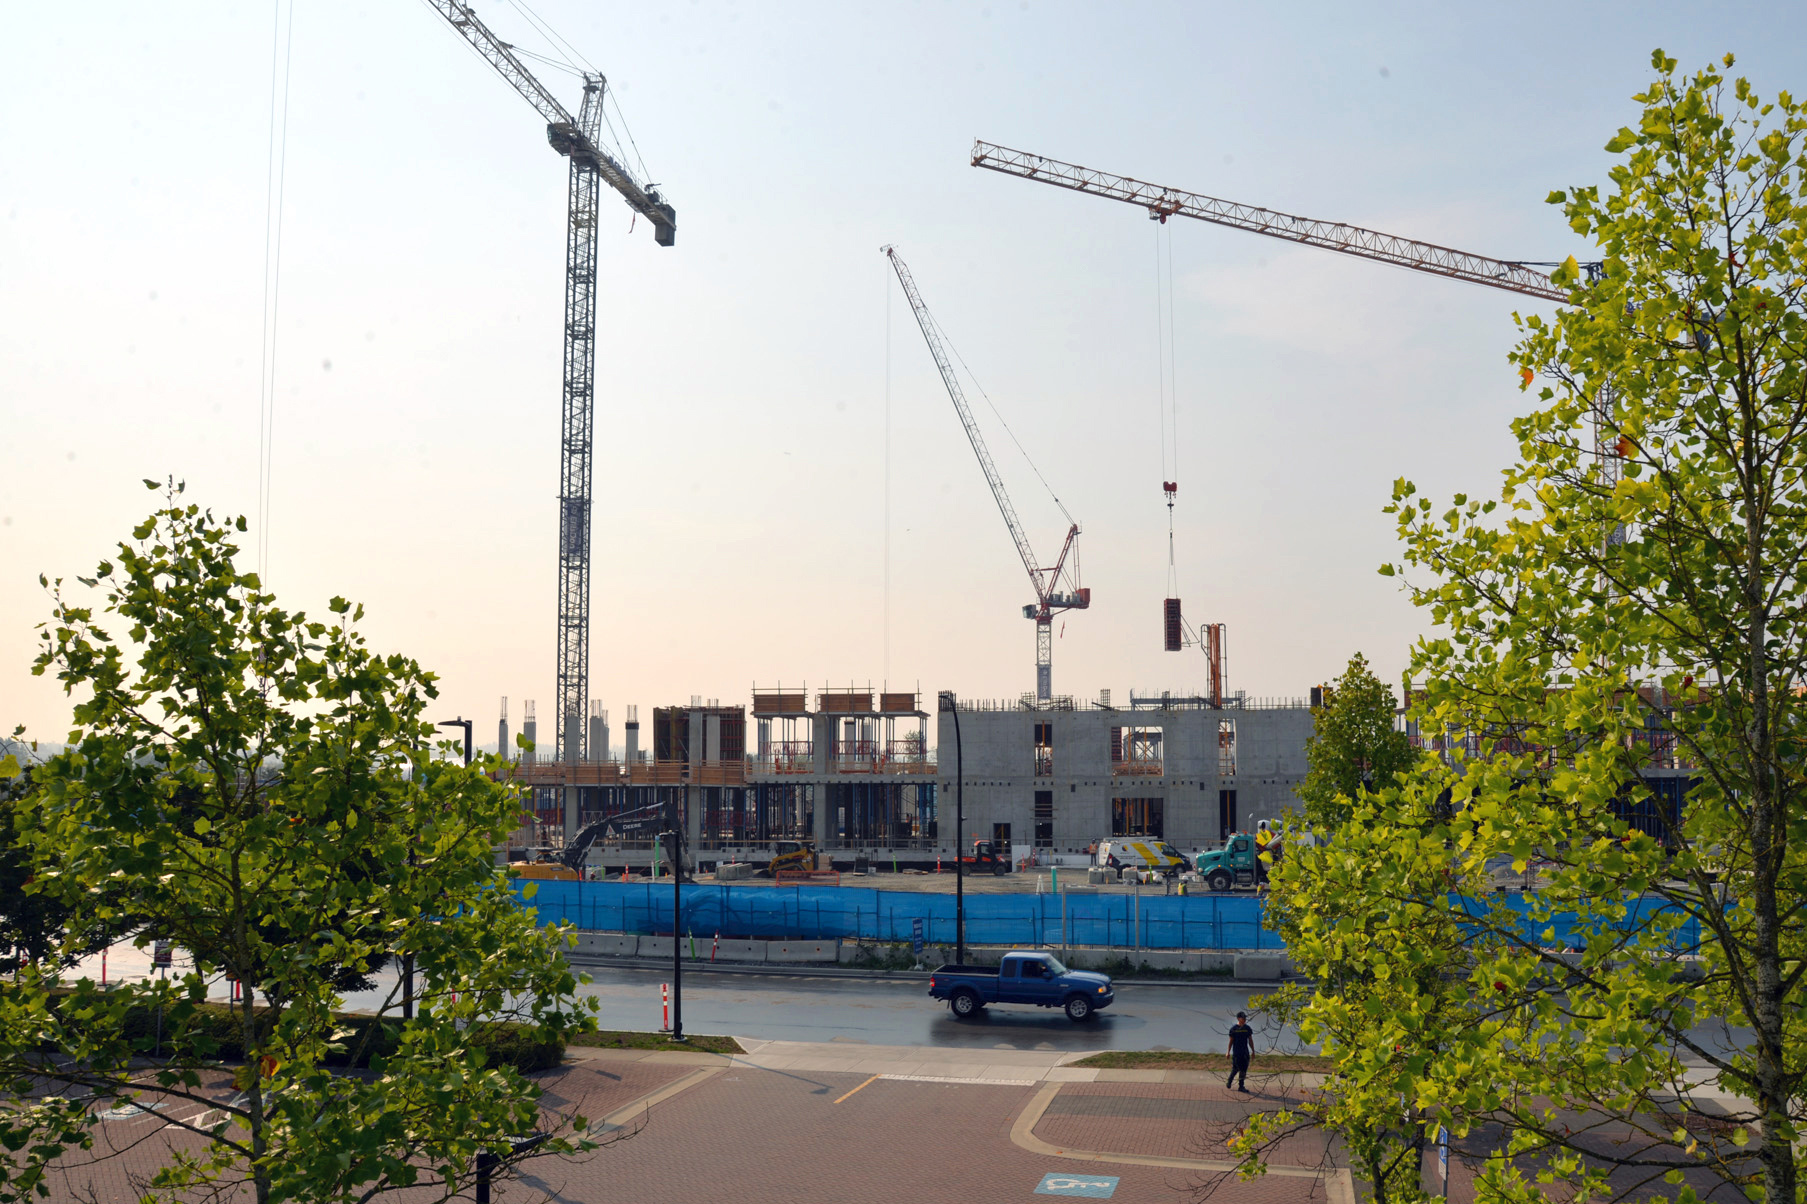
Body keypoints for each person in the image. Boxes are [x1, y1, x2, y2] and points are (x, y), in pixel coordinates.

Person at [1226, 1011, 1254, 1092]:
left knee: (1244, 1069)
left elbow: (1250, 1040)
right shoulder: (1234, 1029)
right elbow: (1231, 1041)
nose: (1244, 1019)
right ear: (1238, 1018)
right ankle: (1230, 1080)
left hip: (1245, 1052)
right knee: (1236, 1068)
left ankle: (1241, 1086)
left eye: (1245, 1018)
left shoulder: (1247, 1028)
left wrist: (1253, 1051)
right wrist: (1228, 1052)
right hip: (1237, 1052)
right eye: (1243, 1018)